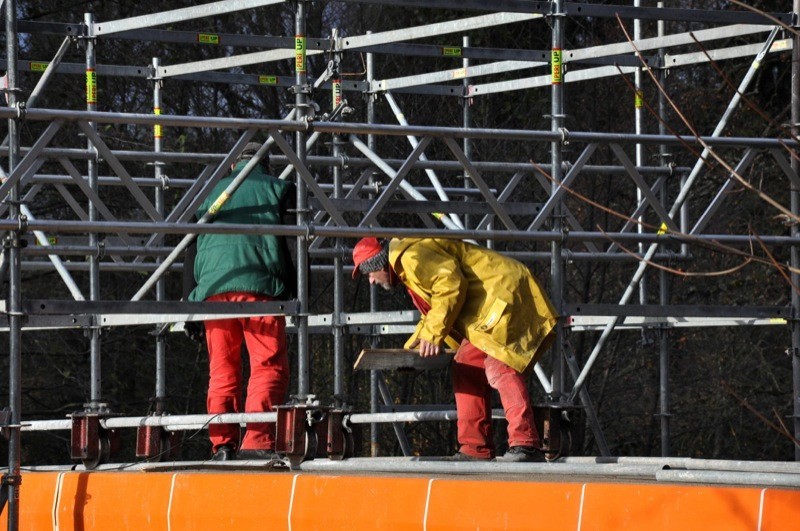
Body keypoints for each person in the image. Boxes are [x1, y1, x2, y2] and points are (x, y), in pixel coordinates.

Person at [352, 237, 558, 462]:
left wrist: (432, 335)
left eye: (368, 274)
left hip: (504, 296)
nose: (371, 281)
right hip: (490, 307)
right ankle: (474, 447)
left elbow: (450, 285)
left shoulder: (412, 257)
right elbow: (434, 312)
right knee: (466, 364)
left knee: (499, 363)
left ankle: (525, 444)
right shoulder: (408, 266)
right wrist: (411, 352)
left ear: (378, 264)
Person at [184, 142, 296, 461]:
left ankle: (223, 444)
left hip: (213, 291)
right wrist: (298, 292)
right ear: (267, 165)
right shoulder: (278, 189)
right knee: (267, 365)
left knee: (222, 369)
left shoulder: (207, 193)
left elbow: (189, 251)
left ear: (233, 165)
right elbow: (293, 244)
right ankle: (258, 441)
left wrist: (190, 306)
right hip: (261, 289)